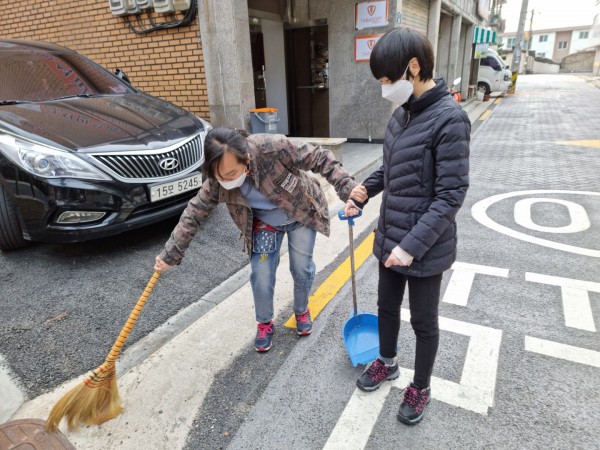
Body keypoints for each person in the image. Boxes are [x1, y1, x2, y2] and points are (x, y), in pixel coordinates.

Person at [344, 28, 470, 425]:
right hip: (390, 234)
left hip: (425, 244)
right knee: (385, 308)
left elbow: (450, 195)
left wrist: (412, 246)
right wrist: (365, 189)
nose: (385, 88)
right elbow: (391, 167)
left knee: (423, 321)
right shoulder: (402, 114)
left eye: (387, 79)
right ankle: (387, 362)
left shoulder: (450, 119)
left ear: (413, 67)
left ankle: (421, 386)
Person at [155, 128, 366, 352]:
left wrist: (348, 188)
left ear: (246, 159)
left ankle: (302, 309)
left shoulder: (272, 147)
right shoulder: (216, 181)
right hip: (265, 224)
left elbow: (319, 157)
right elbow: (193, 213)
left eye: (230, 173)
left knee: (301, 268)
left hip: (301, 213)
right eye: (219, 176)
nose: (225, 180)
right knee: (261, 273)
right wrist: (171, 253)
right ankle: (265, 322)